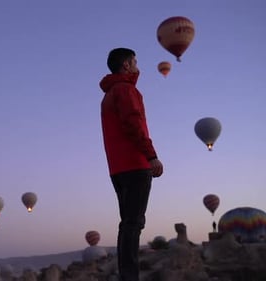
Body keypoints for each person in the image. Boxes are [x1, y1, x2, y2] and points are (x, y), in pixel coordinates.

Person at [99, 48, 163, 281]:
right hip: (135, 164)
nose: (138, 66)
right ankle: (129, 276)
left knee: (127, 223)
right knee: (134, 224)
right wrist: (151, 155)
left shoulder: (108, 95)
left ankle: (127, 274)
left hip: (117, 168)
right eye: (135, 62)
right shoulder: (126, 90)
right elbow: (133, 124)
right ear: (126, 65)